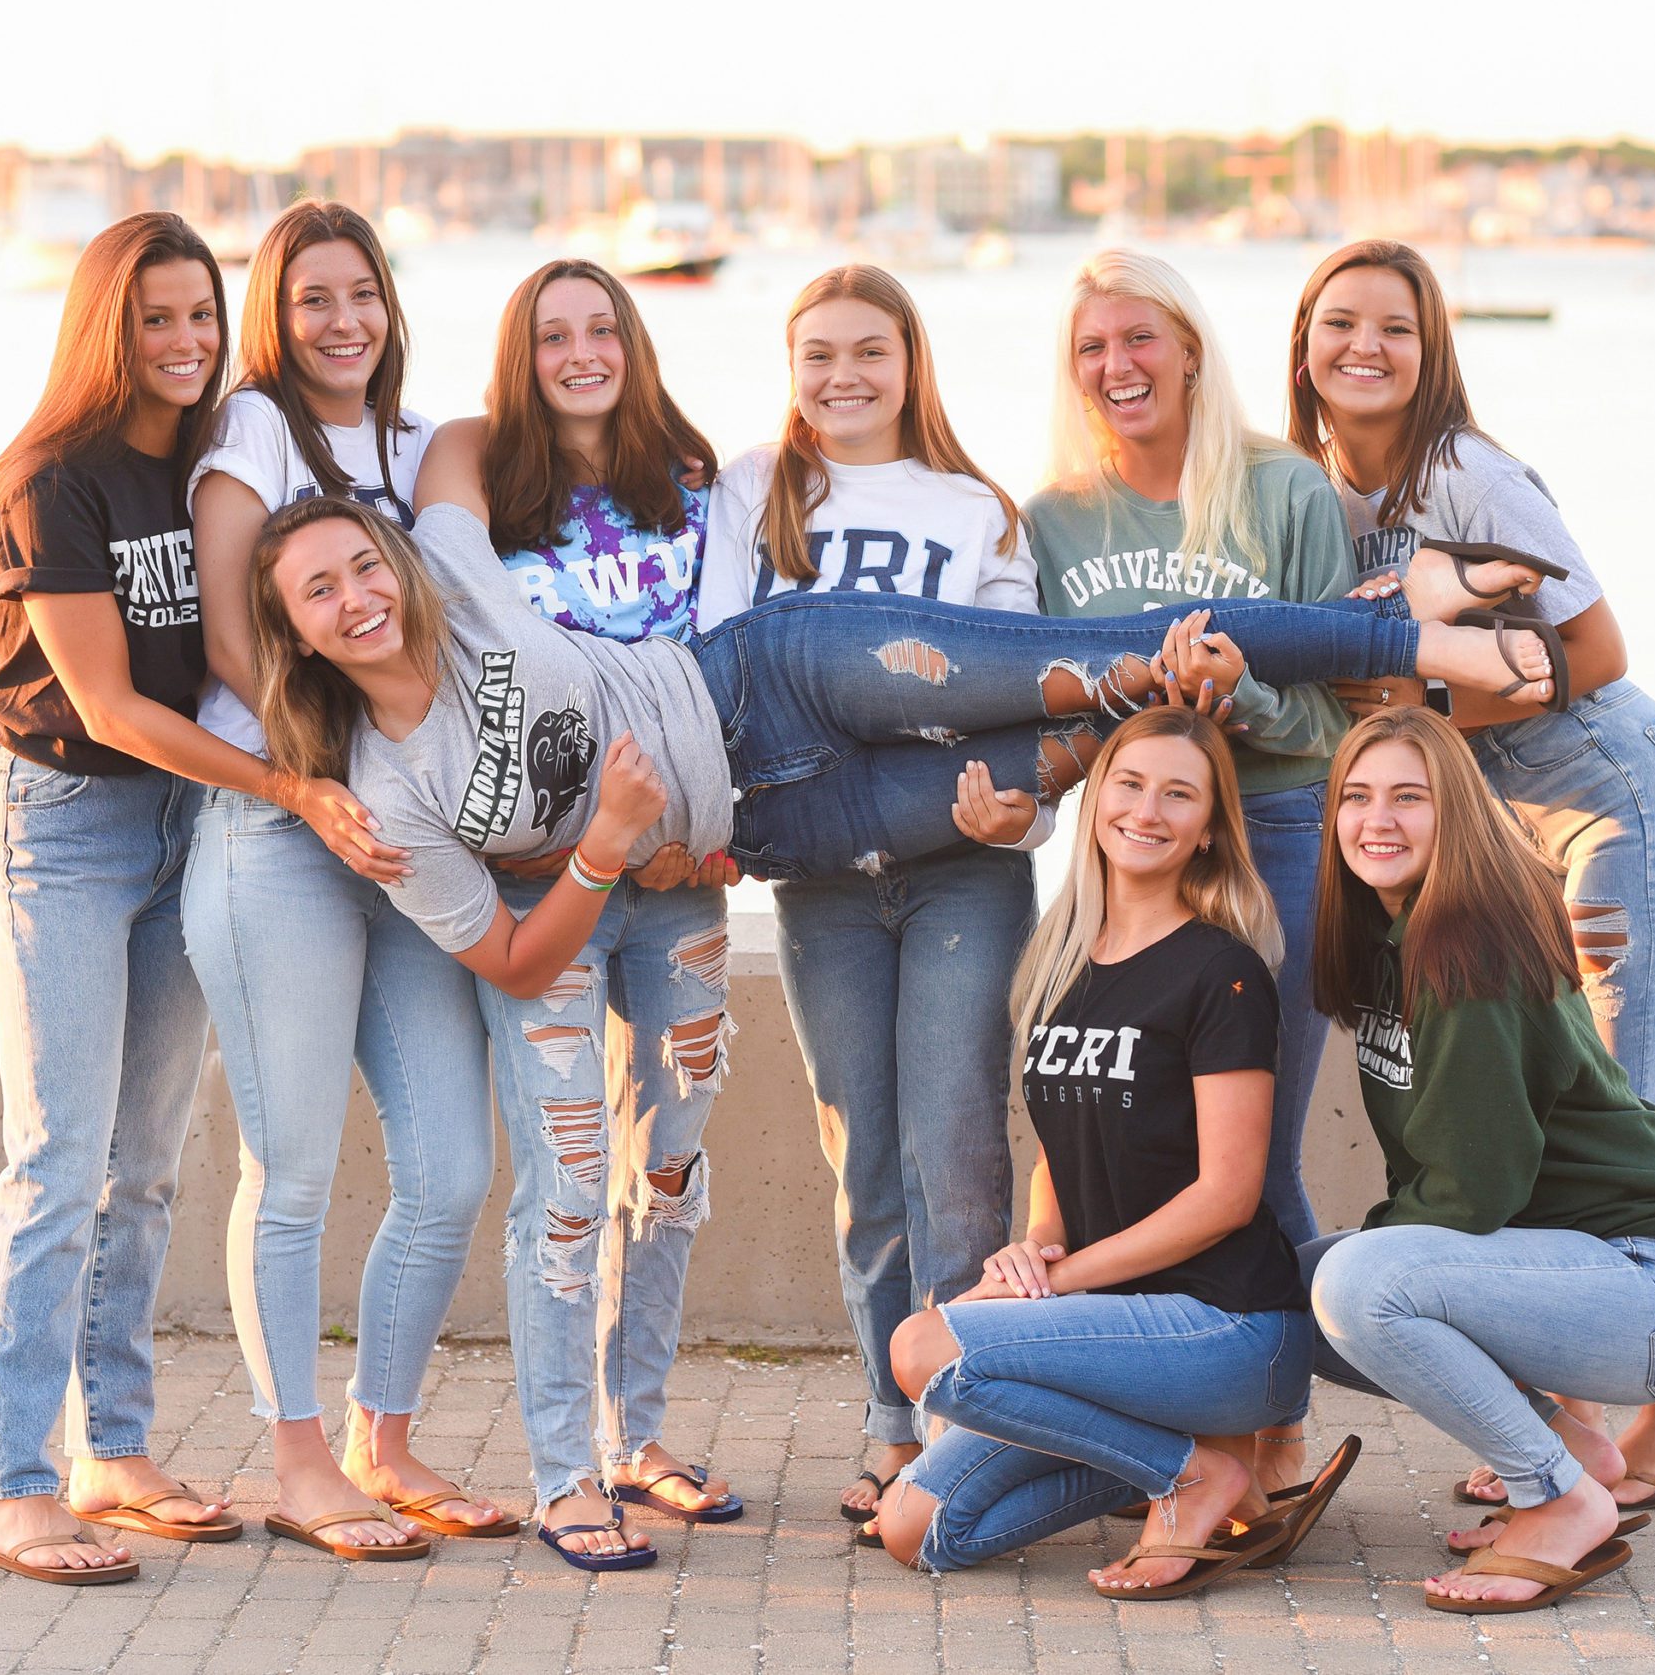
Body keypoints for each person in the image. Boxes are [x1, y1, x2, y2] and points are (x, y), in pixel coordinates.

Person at [241, 483, 1560, 985]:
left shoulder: (455, 577)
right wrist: (602, 852)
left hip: (771, 677)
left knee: (1115, 657)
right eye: (318, 592)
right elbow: (513, 960)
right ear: (292, 633)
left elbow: (465, 438)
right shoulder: (384, 793)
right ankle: (1389, 600)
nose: (356, 598)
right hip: (780, 828)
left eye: (362, 565)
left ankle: (1417, 642)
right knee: (1108, 723)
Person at [1287, 239, 1655, 1514]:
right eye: (1339, 323)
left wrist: (1419, 720)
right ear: (1303, 344)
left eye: (1395, 327)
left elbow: (1596, 645)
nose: (1365, 347)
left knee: (1614, 1084)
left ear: (1431, 349)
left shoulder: (1465, 476)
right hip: (1485, 821)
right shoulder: (1313, 492)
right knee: (1537, 1080)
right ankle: (1589, 1412)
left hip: (1606, 796)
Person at [181, 199, 507, 1562]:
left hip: (407, 834)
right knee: (295, 1165)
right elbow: (229, 629)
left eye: (362, 292)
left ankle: (385, 1435)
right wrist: (321, 775)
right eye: (313, 297)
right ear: (275, 311)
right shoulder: (253, 428)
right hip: (281, 830)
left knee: (450, 1165)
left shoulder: (417, 443)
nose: (343, 320)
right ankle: (299, 1460)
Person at [860, 709, 1352, 1596]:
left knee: (924, 1348)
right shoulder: (1062, 964)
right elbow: (1062, 1150)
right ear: (1095, 803)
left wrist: (1063, 1279)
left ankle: (1193, 1473)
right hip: (1109, 1333)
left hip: (1226, 1326)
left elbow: (1228, 1195)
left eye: (1179, 794)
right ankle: (1192, 1465)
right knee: (918, 1528)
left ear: (1209, 828)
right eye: (1129, 784)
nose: (1147, 810)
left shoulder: (1225, 971)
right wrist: (1035, 1247)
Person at [697, 265, 1039, 1525]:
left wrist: (1020, 810)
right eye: (818, 354)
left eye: (868, 352)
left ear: (911, 363)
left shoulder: (978, 509)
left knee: (958, 1150)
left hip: (963, 869)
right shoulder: (753, 491)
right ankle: (890, 1415)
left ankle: (964, 1417)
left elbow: (1018, 696)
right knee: (867, 1159)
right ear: (790, 368)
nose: (843, 376)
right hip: (823, 879)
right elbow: (724, 672)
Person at [413, 258, 739, 1570]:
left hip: (685, 882)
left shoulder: (699, 488)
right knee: (565, 1181)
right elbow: (468, 620)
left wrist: (688, 831)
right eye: (554, 334)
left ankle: (634, 1436)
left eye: (604, 327)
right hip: (542, 880)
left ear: (635, 343)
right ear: (524, 353)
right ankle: (562, 1475)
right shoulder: (483, 474)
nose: (582, 351)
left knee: (669, 1171)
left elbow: (728, 668)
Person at [0, 212, 264, 1582]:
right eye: (157, 318)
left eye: (202, 314)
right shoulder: (51, 481)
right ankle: (13, 1483)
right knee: (57, 1162)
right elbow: (107, 705)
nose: (186, 341)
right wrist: (294, 788)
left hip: (184, 823)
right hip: (68, 827)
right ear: (108, 327)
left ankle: (116, 1450)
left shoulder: (209, 469)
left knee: (144, 1163)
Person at [1298, 706, 1655, 1613]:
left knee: (1355, 1285)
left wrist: (1375, 1254)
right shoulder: (1391, 938)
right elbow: (1437, 1176)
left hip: (1650, 1289)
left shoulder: (1470, 949)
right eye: (1357, 797)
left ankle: (1559, 1496)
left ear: (1456, 810)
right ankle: (1569, 1446)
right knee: (1296, 1285)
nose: (1377, 820)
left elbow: (1472, 1191)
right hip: (1579, 1268)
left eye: (1409, 797)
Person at [1021, 249, 1355, 1260]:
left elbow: (1342, 721)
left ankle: (1286, 1370)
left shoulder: (1286, 490)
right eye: (1092, 346)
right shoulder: (1053, 521)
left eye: (1140, 338)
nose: (1116, 365)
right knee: (1126, 1143)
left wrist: (1238, 700)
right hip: (1133, 848)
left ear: (1191, 352)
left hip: (1278, 834)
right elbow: (1044, 714)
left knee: (1258, 1159)